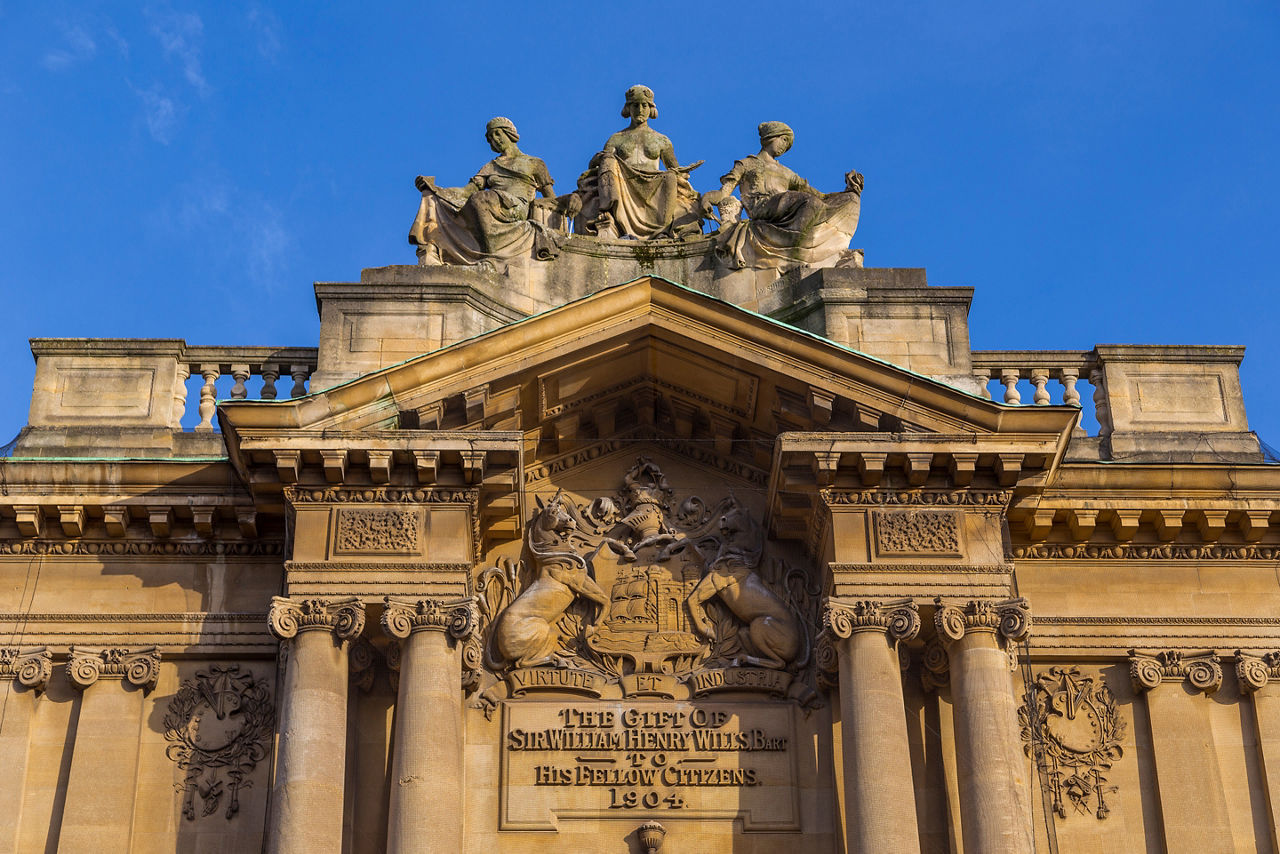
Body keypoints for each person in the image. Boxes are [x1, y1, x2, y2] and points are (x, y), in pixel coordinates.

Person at [408, 116, 568, 267]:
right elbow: (467, 191)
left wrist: (571, 199)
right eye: (491, 138)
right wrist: (436, 189)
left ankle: (492, 256)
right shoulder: (490, 166)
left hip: (516, 207)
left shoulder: (534, 163)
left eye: (498, 134)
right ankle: (436, 249)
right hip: (490, 203)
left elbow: (551, 198)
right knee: (434, 196)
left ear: (509, 134)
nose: (495, 140)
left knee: (481, 199)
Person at [702, 121, 864, 270]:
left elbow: (818, 195)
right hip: (762, 207)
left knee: (843, 200)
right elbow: (725, 190)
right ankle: (796, 247)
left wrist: (849, 191)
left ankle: (800, 246)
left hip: (786, 207)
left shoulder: (786, 173)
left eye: (788, 144)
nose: (785, 147)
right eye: (784, 140)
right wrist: (708, 198)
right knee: (808, 201)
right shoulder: (747, 164)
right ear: (771, 137)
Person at [572, 85, 704, 240]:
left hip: (653, 183)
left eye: (644, 105)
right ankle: (607, 214)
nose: (640, 109)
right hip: (624, 184)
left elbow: (674, 167)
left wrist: (683, 172)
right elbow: (600, 166)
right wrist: (597, 159)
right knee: (608, 160)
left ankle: (661, 230)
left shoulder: (662, 140)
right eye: (635, 105)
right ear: (628, 108)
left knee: (670, 177)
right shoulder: (617, 138)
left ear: (651, 108)